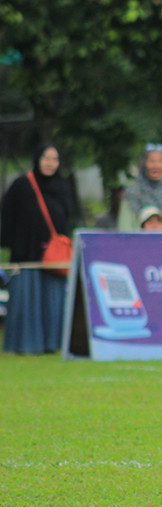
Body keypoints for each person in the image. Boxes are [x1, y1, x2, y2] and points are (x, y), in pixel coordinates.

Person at [1, 143, 75, 354]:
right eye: (46, 158)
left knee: (53, 299)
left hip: (54, 256)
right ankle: (26, 344)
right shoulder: (22, 185)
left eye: (55, 159)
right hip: (27, 255)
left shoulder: (62, 187)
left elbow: (68, 217)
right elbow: (8, 217)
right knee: (28, 298)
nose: (50, 163)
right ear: (37, 159)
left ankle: (53, 343)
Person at [118, 143, 162, 230]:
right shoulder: (133, 191)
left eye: (160, 161)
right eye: (152, 161)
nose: (156, 166)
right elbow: (125, 228)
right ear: (144, 163)